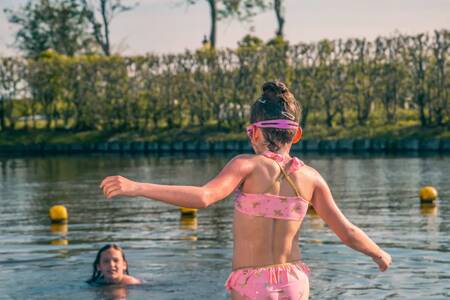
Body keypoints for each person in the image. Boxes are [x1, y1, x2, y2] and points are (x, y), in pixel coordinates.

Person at [100, 81, 392, 299]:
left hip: (251, 284)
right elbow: (347, 231)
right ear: (297, 134)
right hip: (294, 280)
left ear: (253, 131)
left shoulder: (246, 165)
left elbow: (203, 197)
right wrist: (379, 254)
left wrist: (137, 186)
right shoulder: (312, 178)